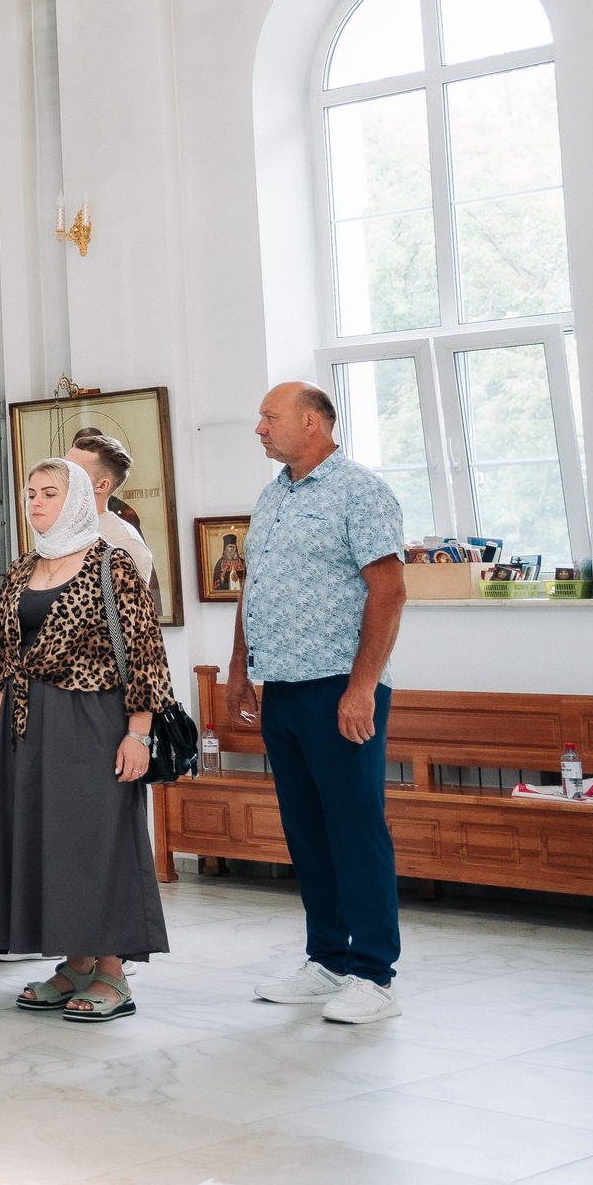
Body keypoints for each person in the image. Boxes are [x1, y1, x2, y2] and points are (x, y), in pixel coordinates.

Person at [226, 382, 407, 1025]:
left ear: (311, 422)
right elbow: (255, 587)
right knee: (307, 831)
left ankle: (375, 974)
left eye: (268, 417)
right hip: (282, 686)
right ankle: (327, 959)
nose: (260, 428)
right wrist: (240, 668)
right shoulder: (273, 495)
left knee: (354, 827)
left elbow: (389, 593)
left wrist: (363, 687)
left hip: (340, 688)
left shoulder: (360, 491)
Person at [0, 457, 175, 1022]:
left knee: (98, 839)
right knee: (51, 841)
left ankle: (113, 972)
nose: (36, 502)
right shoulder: (22, 569)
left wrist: (138, 733)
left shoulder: (110, 566)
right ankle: (75, 963)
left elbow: (144, 654)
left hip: (93, 719)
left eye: (48, 493)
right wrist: (2, 708)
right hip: (27, 725)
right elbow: (5, 652)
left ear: (74, 501)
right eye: (31, 493)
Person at [70, 429, 156, 599]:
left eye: (73, 471)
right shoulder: (61, 530)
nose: (60, 475)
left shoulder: (123, 541)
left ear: (102, 485)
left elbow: (128, 617)